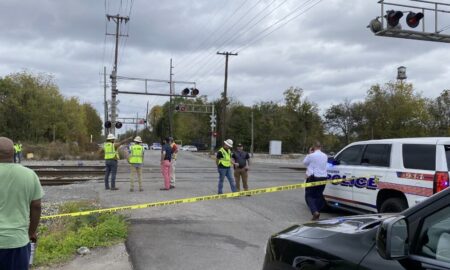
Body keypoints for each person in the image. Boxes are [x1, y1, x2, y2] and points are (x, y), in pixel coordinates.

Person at [0, 137, 43, 270]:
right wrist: (31, 232)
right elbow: (36, 206)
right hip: (18, 241)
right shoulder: (29, 175)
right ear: (13, 152)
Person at [303, 141, 328, 221]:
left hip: (314, 177)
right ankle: (317, 211)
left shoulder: (311, 155)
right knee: (319, 195)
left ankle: (315, 212)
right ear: (321, 147)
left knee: (309, 195)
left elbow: (305, 163)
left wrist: (309, 153)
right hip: (323, 177)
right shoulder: (325, 156)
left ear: (313, 147)